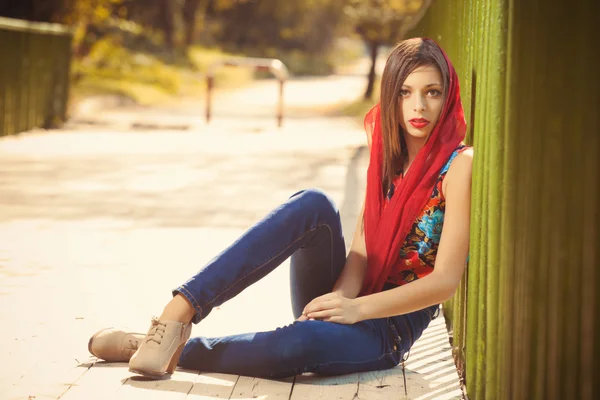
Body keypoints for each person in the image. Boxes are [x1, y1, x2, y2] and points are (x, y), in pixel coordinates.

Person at [88, 37, 473, 380]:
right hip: (352, 302)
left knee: (296, 346)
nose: (418, 106)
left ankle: (158, 345)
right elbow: (361, 248)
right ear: (391, 97)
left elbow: (444, 282)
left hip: (386, 331)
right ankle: (178, 311)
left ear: (448, 94)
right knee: (314, 204)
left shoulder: (458, 166)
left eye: (432, 92)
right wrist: (338, 301)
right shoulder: (390, 155)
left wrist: (357, 311)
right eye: (405, 92)